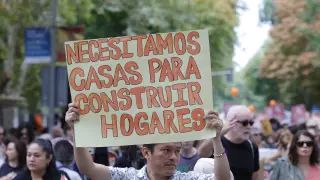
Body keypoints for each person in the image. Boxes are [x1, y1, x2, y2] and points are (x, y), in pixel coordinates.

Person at [65, 102, 231, 180]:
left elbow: (221, 179)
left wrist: (216, 138)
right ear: (146, 152)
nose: (173, 157)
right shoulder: (128, 177)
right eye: (166, 150)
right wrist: (76, 130)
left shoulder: (187, 178)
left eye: (177, 151)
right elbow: (89, 168)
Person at [198, 105, 259, 180]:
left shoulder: (252, 146)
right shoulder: (217, 142)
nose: (249, 126)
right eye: (245, 122)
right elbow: (200, 153)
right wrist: (217, 136)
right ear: (231, 122)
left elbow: (255, 176)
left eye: (251, 122)